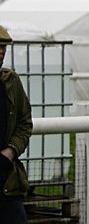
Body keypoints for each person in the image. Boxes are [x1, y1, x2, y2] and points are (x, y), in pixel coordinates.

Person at [0, 26, 32, 224]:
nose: (1, 51)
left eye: (4, 46)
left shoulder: (11, 81)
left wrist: (10, 152)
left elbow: (24, 122)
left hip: (6, 179)